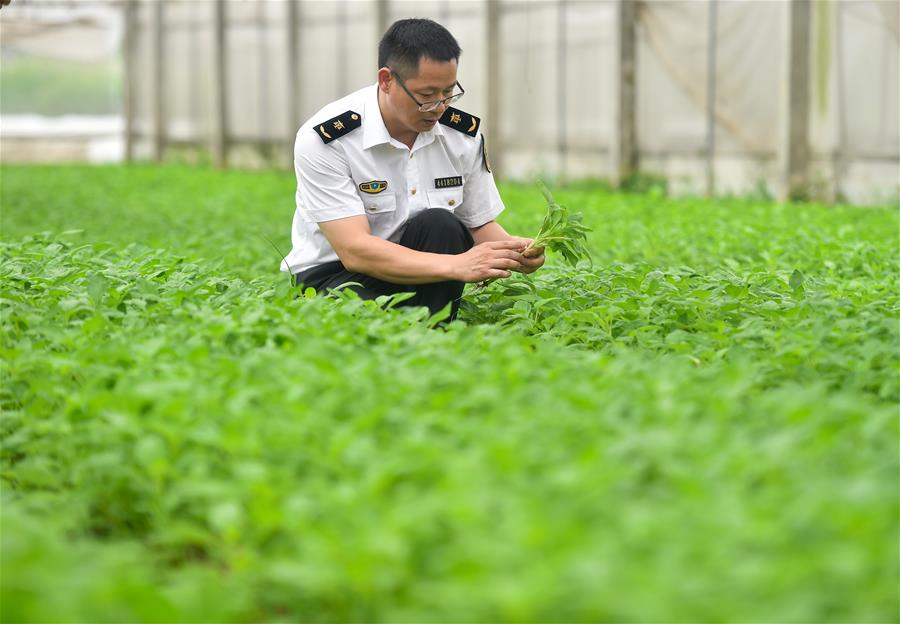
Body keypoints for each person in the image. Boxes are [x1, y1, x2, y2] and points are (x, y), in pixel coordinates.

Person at [282, 18, 544, 321]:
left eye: (448, 92)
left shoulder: (461, 137)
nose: (439, 107)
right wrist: (458, 266)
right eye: (427, 95)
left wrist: (514, 252)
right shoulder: (327, 139)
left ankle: (432, 332)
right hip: (333, 277)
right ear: (386, 80)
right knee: (358, 322)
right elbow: (354, 251)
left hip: (422, 270)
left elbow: (478, 225)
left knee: (441, 223)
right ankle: (420, 331)